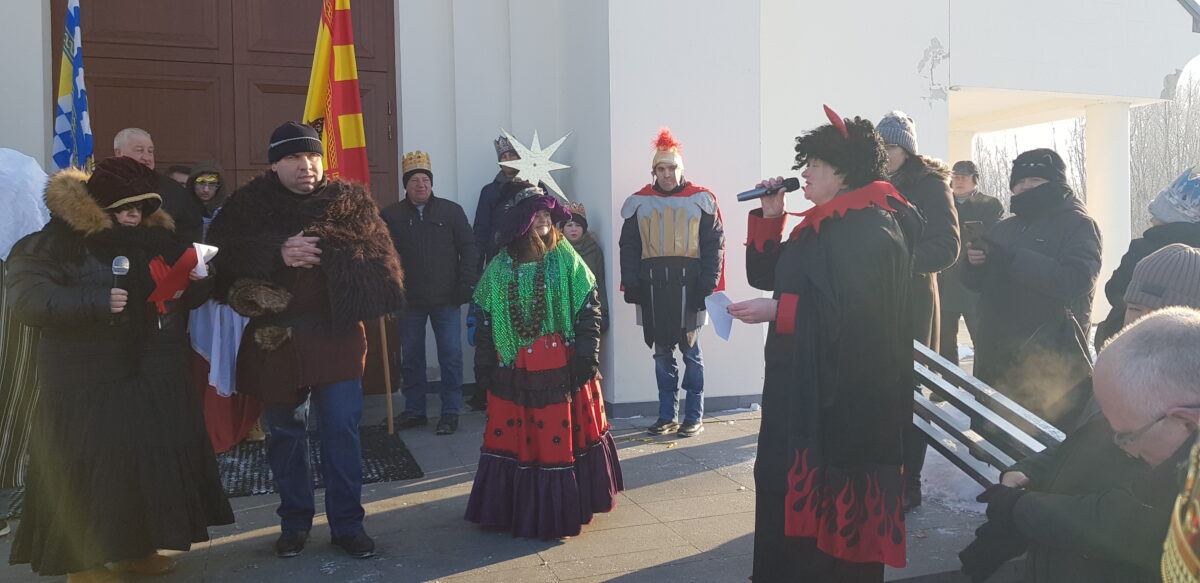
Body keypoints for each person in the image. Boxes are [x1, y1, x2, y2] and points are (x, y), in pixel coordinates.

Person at [7, 156, 234, 581]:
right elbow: (27, 300)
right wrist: (94, 302)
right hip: (85, 379)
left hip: (152, 372)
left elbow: (179, 295)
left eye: (142, 208)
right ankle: (82, 563)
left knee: (141, 467)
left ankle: (136, 549)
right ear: (99, 204)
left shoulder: (156, 240)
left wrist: (200, 279)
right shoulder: (51, 243)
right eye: (125, 208)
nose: (133, 216)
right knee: (87, 470)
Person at [730, 106, 919, 582]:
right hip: (801, 389)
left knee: (828, 529)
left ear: (845, 171)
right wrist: (771, 216)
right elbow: (769, 275)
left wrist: (780, 312)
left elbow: (863, 321)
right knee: (779, 488)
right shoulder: (823, 222)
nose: (805, 173)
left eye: (815, 164)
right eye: (806, 163)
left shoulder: (870, 228)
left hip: (841, 407)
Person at [207, 122, 405, 559]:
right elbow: (219, 260)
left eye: (313, 156)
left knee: (341, 430)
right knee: (284, 434)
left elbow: (384, 269)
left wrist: (326, 251)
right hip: (275, 339)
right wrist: (276, 252)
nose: (306, 165)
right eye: (294, 157)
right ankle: (294, 523)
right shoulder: (247, 206)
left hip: (335, 337)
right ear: (275, 164)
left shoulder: (350, 204)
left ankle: (348, 526)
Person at [960, 307, 1200, 583]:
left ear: (1186, 422)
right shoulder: (1150, 419)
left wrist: (1018, 510)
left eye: (1125, 435)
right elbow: (1083, 443)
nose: (1121, 445)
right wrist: (1030, 471)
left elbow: (1118, 524)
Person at [464, 181, 623, 539]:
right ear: (521, 221)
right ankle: (513, 508)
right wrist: (484, 361)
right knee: (516, 437)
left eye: (547, 215)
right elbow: (485, 315)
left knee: (555, 436)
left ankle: (560, 509)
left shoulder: (565, 256)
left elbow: (589, 306)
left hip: (560, 364)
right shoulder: (501, 264)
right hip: (513, 366)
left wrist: (587, 355)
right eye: (536, 215)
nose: (544, 221)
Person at [964, 148, 1101, 429]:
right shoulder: (1005, 228)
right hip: (997, 357)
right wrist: (974, 264)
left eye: (1036, 180)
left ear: (1056, 183)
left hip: (1049, 363)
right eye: (1020, 182)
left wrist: (1013, 259)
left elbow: (1075, 280)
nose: (1026, 187)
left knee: (1042, 442)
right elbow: (975, 284)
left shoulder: (1079, 225)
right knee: (995, 439)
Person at [877, 110, 961, 512]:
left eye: (891, 147)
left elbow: (947, 246)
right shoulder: (871, 184)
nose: (884, 154)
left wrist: (897, 262)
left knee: (909, 395)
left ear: (907, 150)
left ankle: (909, 481)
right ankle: (880, 475)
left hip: (912, 305)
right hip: (874, 303)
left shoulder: (929, 186)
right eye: (879, 147)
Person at [619, 128, 725, 438]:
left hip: (690, 285)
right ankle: (667, 415)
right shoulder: (638, 202)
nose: (667, 174)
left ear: (681, 169)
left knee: (691, 353)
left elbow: (714, 245)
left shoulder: (701, 199)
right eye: (661, 169)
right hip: (653, 286)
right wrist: (631, 283)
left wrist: (707, 285)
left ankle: (693, 416)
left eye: (672, 168)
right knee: (662, 353)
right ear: (654, 172)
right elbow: (629, 246)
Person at [382, 150, 479, 435]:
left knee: (450, 357)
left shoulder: (451, 211)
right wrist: (387, 288)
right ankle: (415, 411)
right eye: (414, 180)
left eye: (425, 179)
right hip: (408, 301)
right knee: (412, 358)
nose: (420, 185)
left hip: (446, 299)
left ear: (432, 183)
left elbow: (469, 249)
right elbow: (382, 254)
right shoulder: (391, 215)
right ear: (406, 185)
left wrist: (466, 285)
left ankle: (450, 412)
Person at [184, 160, 262, 451]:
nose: (206, 190)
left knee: (236, 355)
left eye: (212, 184)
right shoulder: (183, 214)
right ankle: (204, 423)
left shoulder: (229, 215)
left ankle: (248, 420)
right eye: (200, 184)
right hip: (197, 299)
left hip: (228, 297)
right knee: (202, 356)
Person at [1093, 167, 1200, 350]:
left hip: (1131, 342)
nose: (1151, 220)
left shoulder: (1142, 249)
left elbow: (1114, 289)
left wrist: (1136, 309)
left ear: (1168, 217)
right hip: (1187, 346)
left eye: (1155, 215)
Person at [0, 148, 49, 539]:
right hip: (18, 279)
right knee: (14, 383)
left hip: (16, 277)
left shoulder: (16, 167)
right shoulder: (16, 167)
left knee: (15, 383)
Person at [938, 160, 1004, 364]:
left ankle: (982, 381)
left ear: (974, 180)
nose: (958, 181)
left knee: (982, 338)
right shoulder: (942, 202)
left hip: (975, 280)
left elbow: (996, 237)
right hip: (945, 279)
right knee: (944, 340)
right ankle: (948, 380)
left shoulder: (989, 204)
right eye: (955, 177)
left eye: (964, 177)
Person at [112, 128, 203, 243]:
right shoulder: (101, 187)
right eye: (139, 150)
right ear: (119, 153)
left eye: (150, 151)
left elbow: (191, 230)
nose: (147, 157)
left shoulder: (173, 190)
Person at [474, 134, 522, 266]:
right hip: (497, 255)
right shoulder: (489, 191)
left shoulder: (536, 185)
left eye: (512, 155)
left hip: (529, 254)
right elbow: (481, 228)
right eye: (504, 157)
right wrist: (477, 263)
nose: (508, 159)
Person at [561, 201, 609, 332]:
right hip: (563, 311)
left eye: (578, 225)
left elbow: (600, 282)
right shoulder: (556, 251)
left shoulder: (593, 250)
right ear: (562, 229)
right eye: (569, 225)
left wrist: (603, 311)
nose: (574, 229)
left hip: (588, 308)